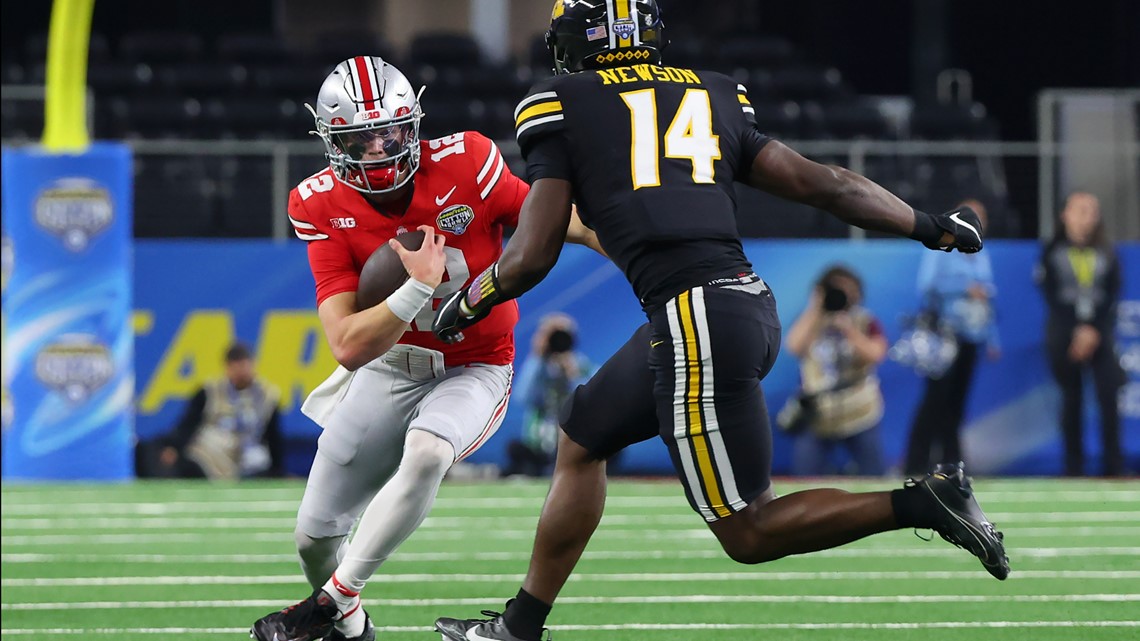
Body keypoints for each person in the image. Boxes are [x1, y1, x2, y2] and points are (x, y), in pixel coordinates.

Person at [431, 3, 1008, 640]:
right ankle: (518, 628)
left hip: (693, 319)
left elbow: (532, 254)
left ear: (572, 43)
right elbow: (827, 185)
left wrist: (467, 301)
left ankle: (924, 502)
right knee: (583, 433)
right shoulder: (707, 92)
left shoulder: (561, 101)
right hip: (731, 303)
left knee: (749, 531)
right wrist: (932, 227)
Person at [249, 56, 601, 641]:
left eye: (391, 130)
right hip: (388, 368)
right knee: (313, 536)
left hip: (475, 364)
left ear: (414, 123)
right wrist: (416, 286)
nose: (382, 148)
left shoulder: (467, 160)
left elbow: (557, 222)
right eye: (362, 138)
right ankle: (351, 622)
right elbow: (346, 344)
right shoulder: (316, 204)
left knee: (429, 451)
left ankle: (332, 600)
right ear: (333, 143)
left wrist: (632, 251)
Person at [903, 199, 1001, 475]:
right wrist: (963, 288)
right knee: (934, 401)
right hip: (946, 336)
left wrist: (993, 339)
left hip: (973, 335)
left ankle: (951, 464)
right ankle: (915, 462)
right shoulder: (941, 249)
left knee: (957, 405)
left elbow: (987, 298)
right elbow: (927, 287)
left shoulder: (983, 253)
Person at [1037, 191, 1125, 477]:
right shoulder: (1052, 252)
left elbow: (1111, 295)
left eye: (1092, 210)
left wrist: (1092, 329)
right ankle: (1073, 469)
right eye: (1081, 209)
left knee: (1109, 394)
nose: (1088, 216)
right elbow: (1051, 295)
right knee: (1071, 399)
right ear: (1066, 214)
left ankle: (1113, 467)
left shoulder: (1107, 252)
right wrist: (1076, 329)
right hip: (1064, 333)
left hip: (1099, 333)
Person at [782, 266, 887, 476]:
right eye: (835, 289)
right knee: (805, 480)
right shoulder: (811, 320)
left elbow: (876, 354)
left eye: (847, 289)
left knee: (874, 476)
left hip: (860, 411)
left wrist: (849, 330)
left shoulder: (864, 320)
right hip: (819, 414)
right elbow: (793, 347)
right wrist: (815, 308)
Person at [135, 341, 283, 480]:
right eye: (236, 365)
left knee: (258, 462)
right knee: (185, 455)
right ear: (227, 367)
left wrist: (278, 469)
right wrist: (175, 446)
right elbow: (189, 423)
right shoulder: (211, 390)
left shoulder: (267, 395)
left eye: (244, 364)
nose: (241, 371)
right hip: (212, 452)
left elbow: (273, 437)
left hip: (249, 454)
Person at [504, 313, 594, 477]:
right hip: (539, 444)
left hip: (573, 442)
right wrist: (537, 356)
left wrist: (573, 375)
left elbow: (591, 399)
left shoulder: (582, 366)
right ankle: (537, 469)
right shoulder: (538, 367)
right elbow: (522, 396)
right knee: (514, 448)